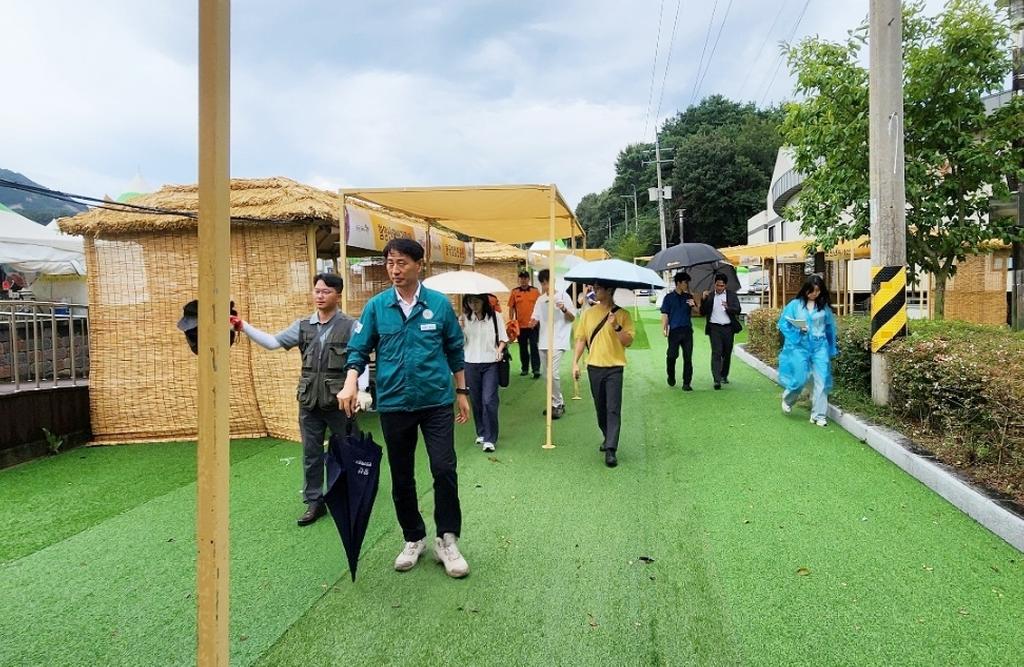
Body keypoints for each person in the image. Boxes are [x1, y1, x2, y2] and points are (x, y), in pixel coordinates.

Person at [337, 238, 472, 579]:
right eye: (390, 263)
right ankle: (413, 537)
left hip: (437, 401)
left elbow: (455, 350)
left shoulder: (439, 306)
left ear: (418, 265)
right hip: (395, 403)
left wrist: (461, 391)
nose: (394, 270)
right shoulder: (377, 307)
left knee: (443, 468)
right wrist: (351, 381)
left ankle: (447, 539)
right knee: (402, 476)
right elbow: (358, 349)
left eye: (401, 263)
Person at [230, 273, 367, 527]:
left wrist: (361, 389)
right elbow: (272, 343)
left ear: (338, 295)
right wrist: (243, 326)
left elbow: (360, 358)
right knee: (310, 453)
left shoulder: (350, 325)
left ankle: (355, 491)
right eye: (316, 291)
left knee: (350, 447)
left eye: (325, 291)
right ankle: (314, 501)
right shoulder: (303, 325)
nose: (319, 295)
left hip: (340, 400)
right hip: (309, 401)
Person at [572, 281, 635, 468]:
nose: (594, 291)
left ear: (609, 290)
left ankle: (611, 449)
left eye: (598, 289)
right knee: (601, 408)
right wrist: (575, 362)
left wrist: (616, 326)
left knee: (613, 408)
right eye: (594, 288)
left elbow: (628, 341)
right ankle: (608, 436)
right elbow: (581, 339)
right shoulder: (588, 314)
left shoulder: (623, 314)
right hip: (594, 366)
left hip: (615, 367)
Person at [777, 274, 839, 427]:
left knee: (822, 380)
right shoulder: (795, 305)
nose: (814, 294)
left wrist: (831, 347)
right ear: (805, 290)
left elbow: (830, 328)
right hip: (800, 347)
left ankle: (818, 415)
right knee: (799, 379)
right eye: (811, 291)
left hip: (820, 347)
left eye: (818, 291)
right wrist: (799, 331)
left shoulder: (823, 307)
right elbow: (784, 324)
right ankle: (788, 399)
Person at [460, 293, 508, 452]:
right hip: (470, 363)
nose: (473, 305)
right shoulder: (464, 318)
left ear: (483, 302)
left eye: (476, 301)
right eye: (470, 302)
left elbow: (503, 338)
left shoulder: (495, 317)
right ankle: (481, 432)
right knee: (476, 400)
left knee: (489, 399)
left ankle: (490, 438)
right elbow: (460, 342)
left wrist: (499, 350)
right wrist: (459, 329)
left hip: (490, 363)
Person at [530, 269, 577, 419]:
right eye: (543, 283)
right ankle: (554, 402)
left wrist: (563, 308)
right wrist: (531, 322)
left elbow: (572, 318)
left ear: (553, 281)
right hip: (543, 341)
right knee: (546, 375)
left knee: (553, 373)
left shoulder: (564, 296)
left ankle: (558, 403)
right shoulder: (540, 299)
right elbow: (535, 318)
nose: (545, 286)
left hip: (559, 340)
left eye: (547, 282)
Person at [700, 273, 742, 390]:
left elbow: (738, 309)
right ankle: (716, 379)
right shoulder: (710, 295)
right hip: (714, 328)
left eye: (722, 286)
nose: (719, 288)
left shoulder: (731, 295)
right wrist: (703, 299)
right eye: (718, 285)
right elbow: (702, 312)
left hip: (728, 328)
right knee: (716, 353)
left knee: (726, 353)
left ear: (725, 285)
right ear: (715, 284)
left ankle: (724, 375)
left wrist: (728, 307)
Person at [660, 271, 696, 391]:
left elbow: (698, 311)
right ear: (679, 283)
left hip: (687, 331)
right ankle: (671, 375)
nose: (687, 285)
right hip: (674, 331)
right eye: (685, 282)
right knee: (672, 355)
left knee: (688, 358)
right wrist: (664, 328)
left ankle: (687, 383)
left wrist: (693, 305)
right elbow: (665, 314)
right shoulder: (669, 298)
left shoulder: (689, 297)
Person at [507, 270, 541, 378]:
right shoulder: (515, 292)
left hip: (533, 325)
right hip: (520, 326)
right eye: (521, 278)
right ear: (519, 280)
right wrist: (512, 320)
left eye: (525, 278)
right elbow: (511, 307)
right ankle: (525, 368)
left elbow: (540, 306)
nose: (523, 280)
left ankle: (536, 369)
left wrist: (539, 320)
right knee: (522, 348)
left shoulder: (535, 291)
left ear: (528, 279)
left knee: (534, 347)